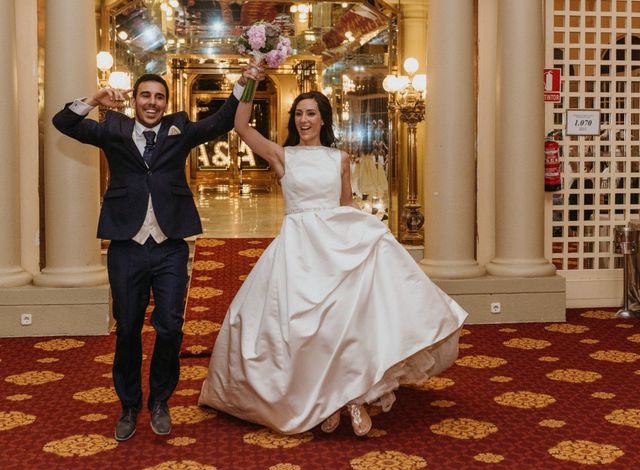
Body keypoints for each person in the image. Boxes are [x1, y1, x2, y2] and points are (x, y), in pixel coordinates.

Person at [198, 89, 468, 436]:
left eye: (311, 113)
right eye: (298, 114)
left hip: (336, 246)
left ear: (322, 119)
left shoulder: (339, 158)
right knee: (303, 330)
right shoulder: (283, 156)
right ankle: (322, 399)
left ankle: (351, 398)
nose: (304, 120)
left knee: (345, 326)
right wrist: (250, 80)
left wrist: (372, 232)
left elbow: (346, 205)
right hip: (297, 250)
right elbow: (241, 125)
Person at [52, 66, 262, 442]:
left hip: (169, 246)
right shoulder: (113, 130)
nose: (152, 102)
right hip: (126, 245)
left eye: (159, 97)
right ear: (134, 100)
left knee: (170, 326)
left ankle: (161, 400)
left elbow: (222, 120)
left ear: (167, 103)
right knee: (128, 327)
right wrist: (95, 99)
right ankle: (130, 405)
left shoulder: (179, 130)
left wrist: (244, 82)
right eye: (145, 96)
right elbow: (63, 122)